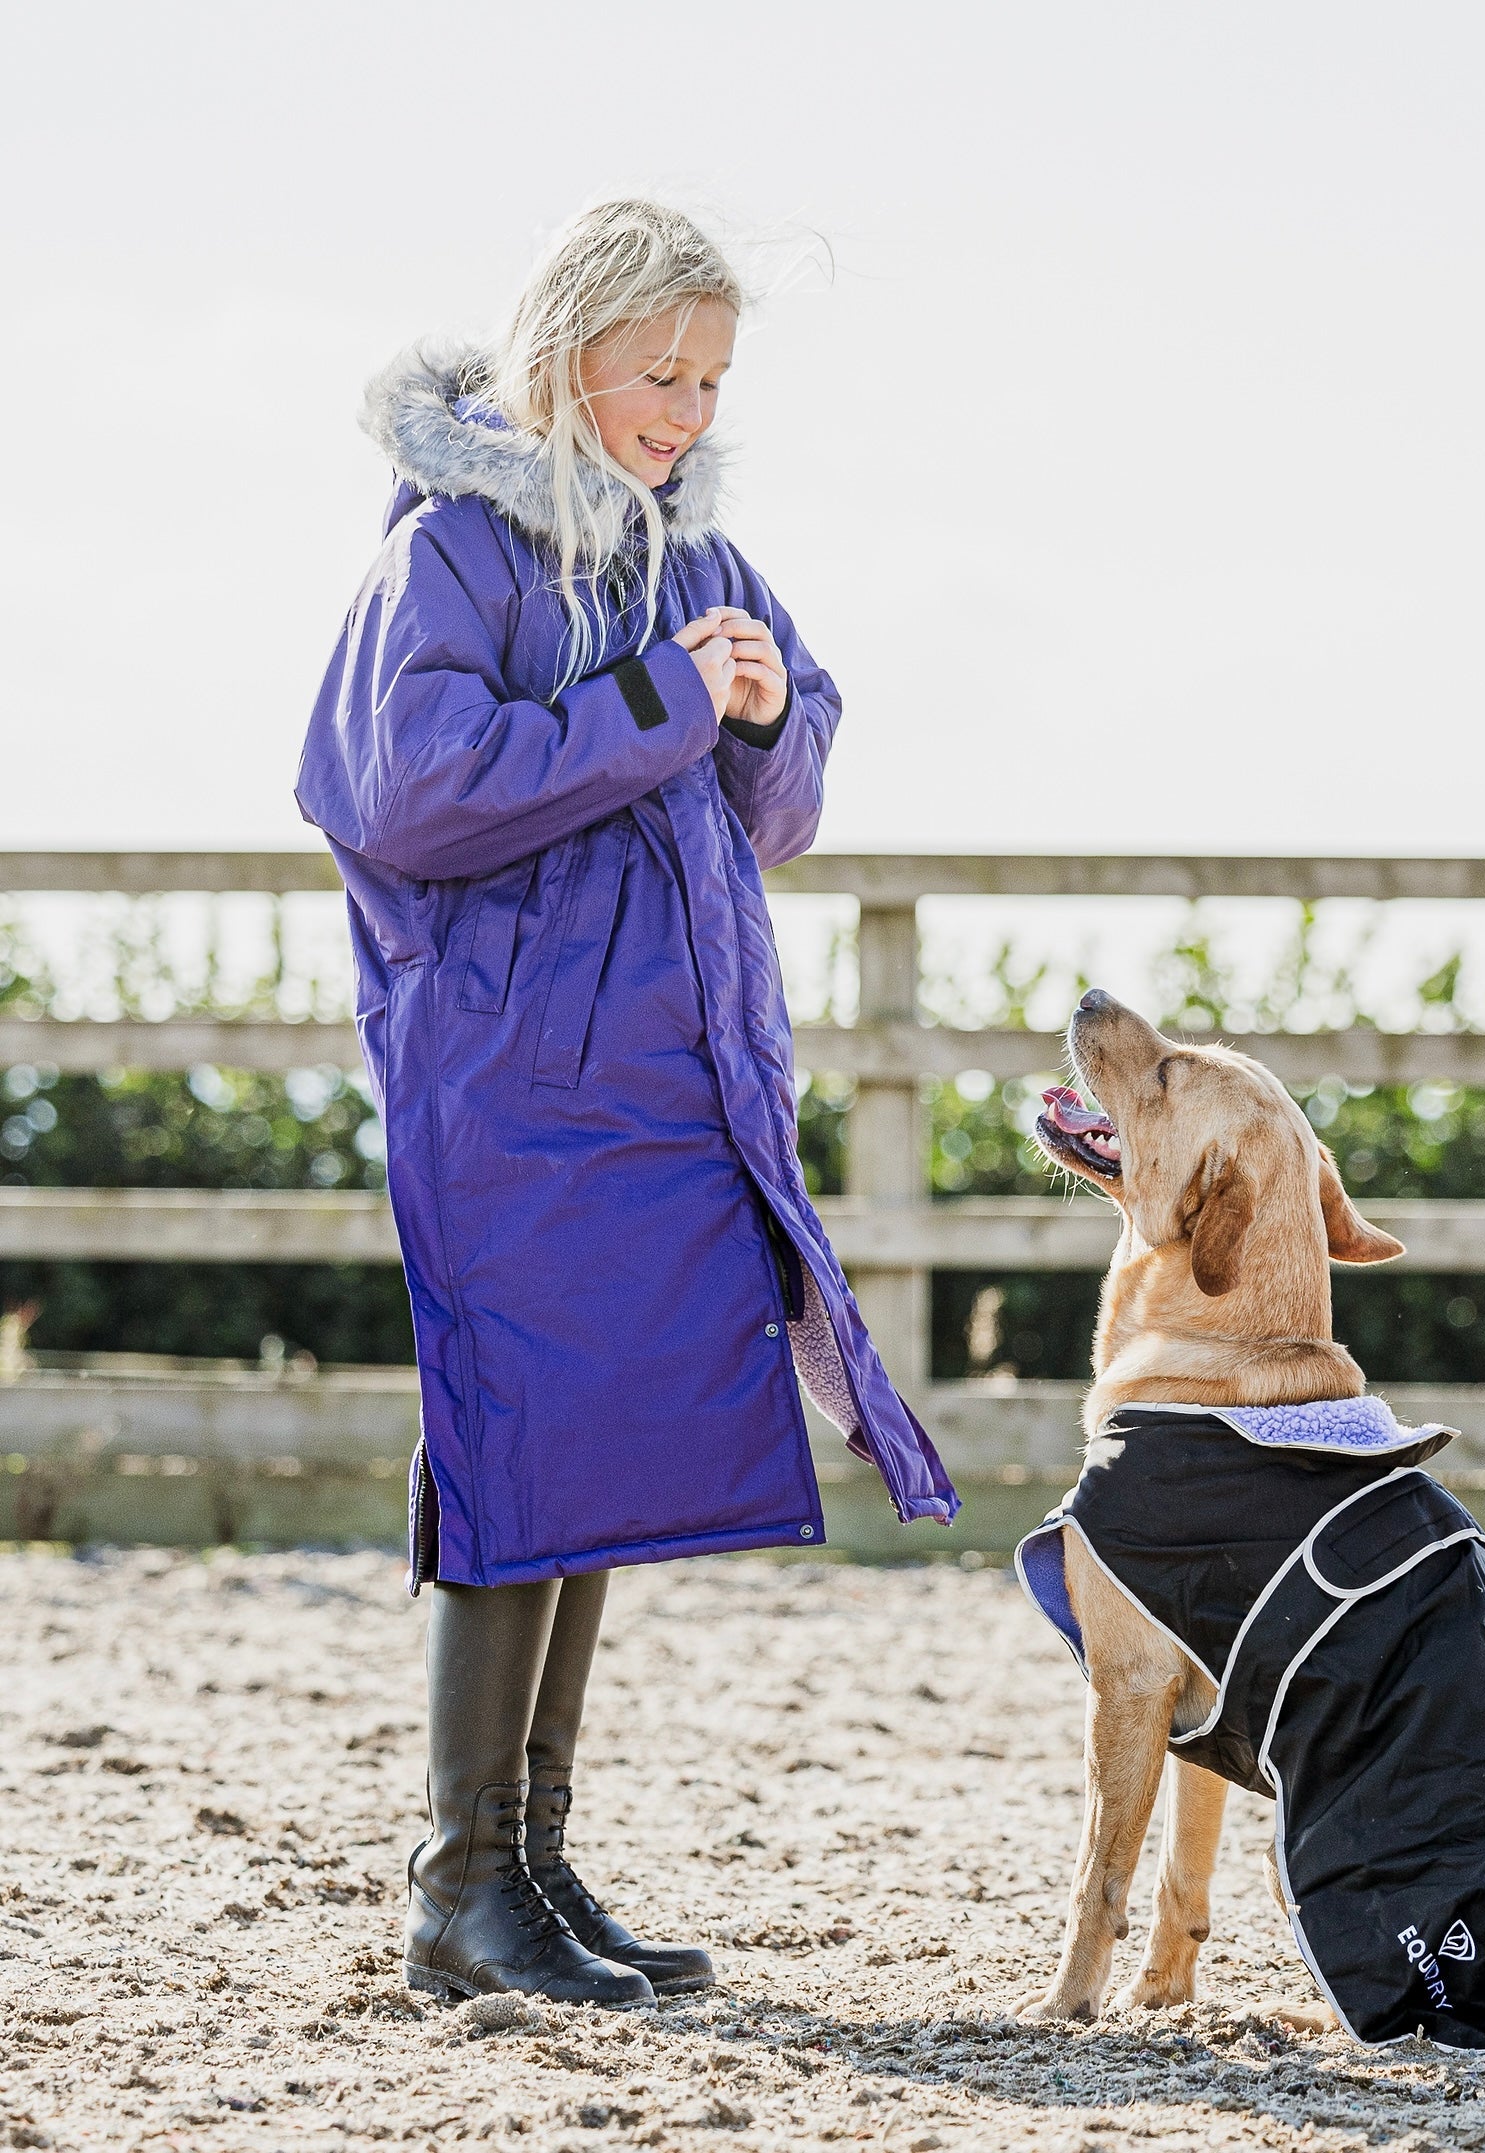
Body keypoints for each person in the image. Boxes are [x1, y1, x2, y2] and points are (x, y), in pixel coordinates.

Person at [296, 200, 957, 2007]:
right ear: (558, 352)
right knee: (523, 1442)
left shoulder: (693, 555)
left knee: (584, 1454)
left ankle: (536, 1862)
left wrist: (749, 716)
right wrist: (669, 694)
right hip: (512, 1081)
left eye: (710, 377)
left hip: (669, 1080)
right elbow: (408, 786)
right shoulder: (448, 548)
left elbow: (782, 790)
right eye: (656, 369)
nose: (683, 404)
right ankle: (460, 1880)